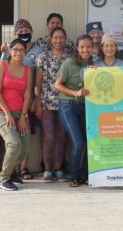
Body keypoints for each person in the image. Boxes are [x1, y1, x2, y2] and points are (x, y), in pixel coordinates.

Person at [1, 18, 42, 180]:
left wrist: (36, 99)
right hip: (11, 100)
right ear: (15, 34)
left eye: (27, 31)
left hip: (29, 98)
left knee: (25, 134)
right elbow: (1, 70)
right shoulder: (10, 49)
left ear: (31, 32)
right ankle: (11, 169)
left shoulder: (39, 50)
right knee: (11, 136)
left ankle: (23, 168)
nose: (24, 34)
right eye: (20, 32)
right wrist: (4, 52)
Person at [0, 39, 33, 191]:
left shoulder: (27, 70)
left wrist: (23, 116)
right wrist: (7, 113)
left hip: (19, 111)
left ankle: (13, 173)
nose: (18, 53)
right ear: (10, 50)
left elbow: (27, 93)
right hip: (1, 111)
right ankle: (4, 178)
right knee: (14, 143)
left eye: (21, 50)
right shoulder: (1, 66)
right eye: (15, 49)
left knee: (26, 147)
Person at [55, 34, 94, 187]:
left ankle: (84, 175)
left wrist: (96, 73)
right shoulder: (69, 63)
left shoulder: (93, 63)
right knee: (78, 143)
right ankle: (74, 176)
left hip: (86, 106)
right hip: (68, 105)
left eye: (88, 47)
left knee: (87, 142)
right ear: (77, 48)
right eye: (82, 47)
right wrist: (76, 93)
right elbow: (57, 85)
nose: (85, 50)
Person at [34, 27, 71, 183]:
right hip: (47, 103)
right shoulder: (42, 57)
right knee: (49, 136)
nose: (58, 40)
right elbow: (38, 83)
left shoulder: (70, 58)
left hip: (65, 102)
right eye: (55, 37)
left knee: (62, 136)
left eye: (61, 37)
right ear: (50, 39)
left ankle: (59, 168)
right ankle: (48, 169)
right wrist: (36, 103)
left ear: (65, 39)